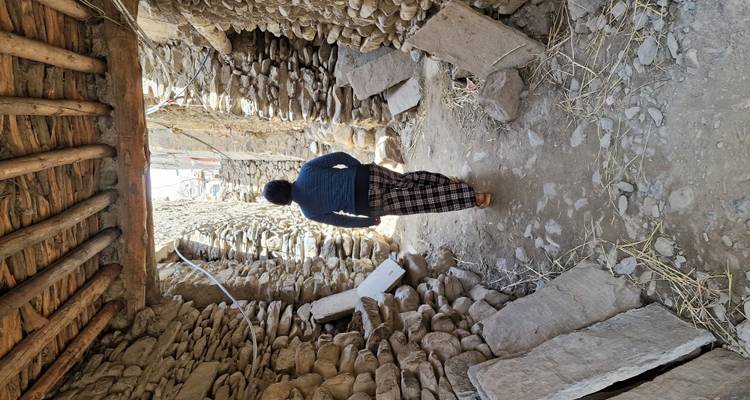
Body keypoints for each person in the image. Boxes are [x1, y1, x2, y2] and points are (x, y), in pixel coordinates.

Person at [262, 152, 492, 227]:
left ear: (282, 202)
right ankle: (450, 183)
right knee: (409, 181)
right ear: (282, 182)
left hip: (367, 204)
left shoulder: (309, 213)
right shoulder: (307, 170)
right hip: (367, 176)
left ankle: (476, 198)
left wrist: (369, 221)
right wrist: (359, 170)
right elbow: (341, 157)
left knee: (422, 202)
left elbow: (343, 222)